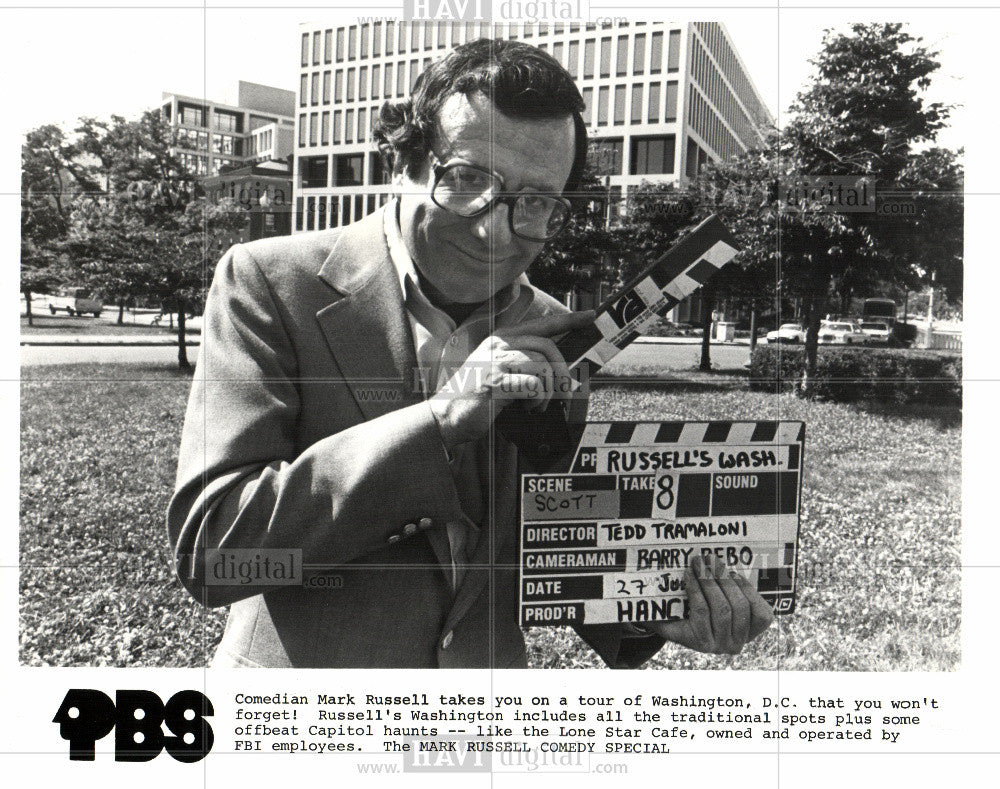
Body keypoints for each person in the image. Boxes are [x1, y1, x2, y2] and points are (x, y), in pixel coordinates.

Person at [167, 39, 773, 668]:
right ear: (404, 162)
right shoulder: (267, 281)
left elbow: (548, 540)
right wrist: (442, 421)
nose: (493, 231)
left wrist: (654, 610)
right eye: (466, 180)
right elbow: (213, 550)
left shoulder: (553, 330)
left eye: (536, 202)